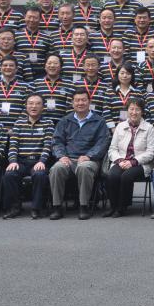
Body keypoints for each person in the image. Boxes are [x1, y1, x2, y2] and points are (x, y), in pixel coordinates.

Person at [49, 88, 110, 220]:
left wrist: (89, 155)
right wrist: (62, 156)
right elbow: (57, 141)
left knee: (84, 167)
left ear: (89, 102)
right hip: (68, 159)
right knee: (56, 169)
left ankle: (84, 206)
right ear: (72, 103)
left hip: (90, 160)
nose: (80, 103)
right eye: (77, 100)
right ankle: (56, 207)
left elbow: (103, 143)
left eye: (83, 100)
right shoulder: (65, 120)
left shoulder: (99, 121)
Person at [2, 93, 53, 219]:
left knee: (39, 174)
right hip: (21, 161)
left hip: (38, 161)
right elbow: (13, 145)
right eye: (30, 103)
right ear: (26, 106)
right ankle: (15, 207)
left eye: (37, 104)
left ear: (43, 107)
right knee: (10, 174)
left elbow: (48, 145)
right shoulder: (19, 123)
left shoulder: (48, 123)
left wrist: (42, 161)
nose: (33, 106)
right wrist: (12, 161)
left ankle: (37, 208)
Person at [104, 97, 154, 217]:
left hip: (141, 163)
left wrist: (133, 162)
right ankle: (113, 206)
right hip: (121, 160)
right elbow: (112, 149)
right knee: (112, 175)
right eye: (131, 109)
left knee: (127, 176)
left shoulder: (149, 128)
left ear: (142, 111)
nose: (134, 112)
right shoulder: (120, 126)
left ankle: (122, 207)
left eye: (137, 109)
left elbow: (151, 152)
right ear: (127, 111)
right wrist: (120, 160)